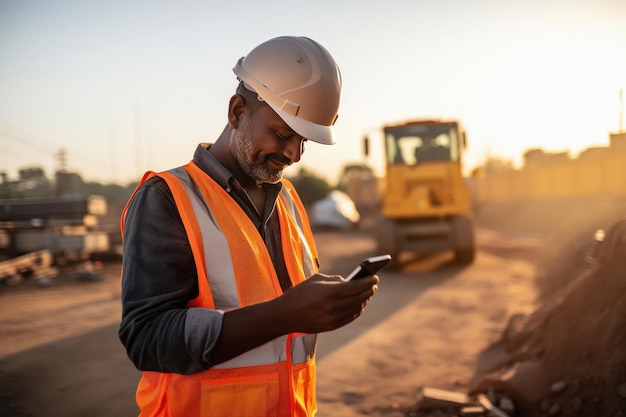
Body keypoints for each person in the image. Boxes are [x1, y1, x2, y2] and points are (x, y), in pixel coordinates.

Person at [119, 36, 380, 417]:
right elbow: (146, 338)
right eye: (283, 133)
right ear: (238, 111)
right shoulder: (167, 197)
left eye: (303, 139)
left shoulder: (288, 199)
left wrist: (326, 305)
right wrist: (285, 314)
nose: (295, 153)